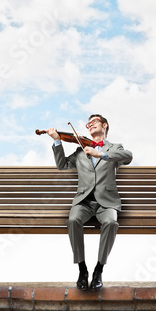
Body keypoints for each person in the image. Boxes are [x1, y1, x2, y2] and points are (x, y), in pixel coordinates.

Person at [45, 114, 132, 290]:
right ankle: (82, 269)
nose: (90, 125)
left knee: (111, 222)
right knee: (72, 220)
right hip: (84, 201)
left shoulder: (115, 148)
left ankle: (99, 269)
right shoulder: (79, 151)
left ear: (105, 125)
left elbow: (127, 156)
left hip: (106, 202)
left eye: (94, 122)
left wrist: (100, 154)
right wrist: (57, 142)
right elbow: (62, 165)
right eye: (88, 123)